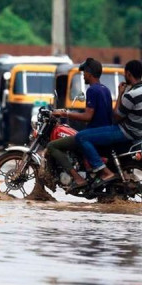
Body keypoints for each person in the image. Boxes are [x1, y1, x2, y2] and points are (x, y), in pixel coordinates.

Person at [47, 57, 113, 192]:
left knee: (52, 146)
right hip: (103, 133)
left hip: (93, 135)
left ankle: (77, 178)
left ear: (89, 73)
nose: (83, 75)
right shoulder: (105, 89)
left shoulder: (92, 90)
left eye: (84, 73)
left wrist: (65, 113)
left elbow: (88, 116)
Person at [75, 59, 142, 189]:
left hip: (125, 132)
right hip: (138, 134)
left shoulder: (131, 95)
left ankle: (104, 172)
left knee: (81, 137)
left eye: (124, 74)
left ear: (128, 74)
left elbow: (116, 117)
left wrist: (121, 93)